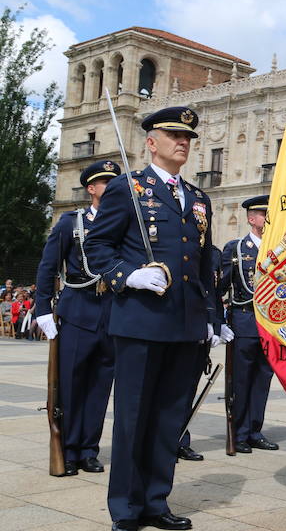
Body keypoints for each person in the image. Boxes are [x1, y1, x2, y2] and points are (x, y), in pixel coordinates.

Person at [84, 106, 218, 531]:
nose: (183, 142)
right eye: (173, 134)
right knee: (134, 416)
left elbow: (203, 263)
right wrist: (130, 276)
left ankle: (156, 501)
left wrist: (211, 318)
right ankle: (124, 507)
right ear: (151, 142)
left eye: (188, 137)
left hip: (184, 324)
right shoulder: (128, 188)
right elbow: (98, 247)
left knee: (169, 419)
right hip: (141, 320)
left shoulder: (199, 198)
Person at [33, 160, 120, 476]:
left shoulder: (123, 225)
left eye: (115, 184)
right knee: (71, 384)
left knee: (100, 386)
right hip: (78, 313)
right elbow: (48, 267)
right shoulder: (72, 223)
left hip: (111, 315)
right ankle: (67, 449)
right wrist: (43, 309)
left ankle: (88, 450)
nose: (111, 189)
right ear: (91, 189)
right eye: (105, 184)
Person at [220, 196, 279, 455]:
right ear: (252, 218)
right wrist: (219, 321)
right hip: (244, 322)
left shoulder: (278, 251)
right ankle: (239, 433)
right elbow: (221, 287)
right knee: (241, 381)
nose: (268, 220)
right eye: (264, 215)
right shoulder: (235, 249)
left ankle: (255, 430)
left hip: (271, 325)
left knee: (263, 379)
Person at [179, 245, 233, 462]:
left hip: (202, 330)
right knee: (171, 391)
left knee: (189, 389)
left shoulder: (213, 253)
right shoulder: (180, 246)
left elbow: (214, 291)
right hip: (180, 327)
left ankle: (181, 440)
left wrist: (218, 324)